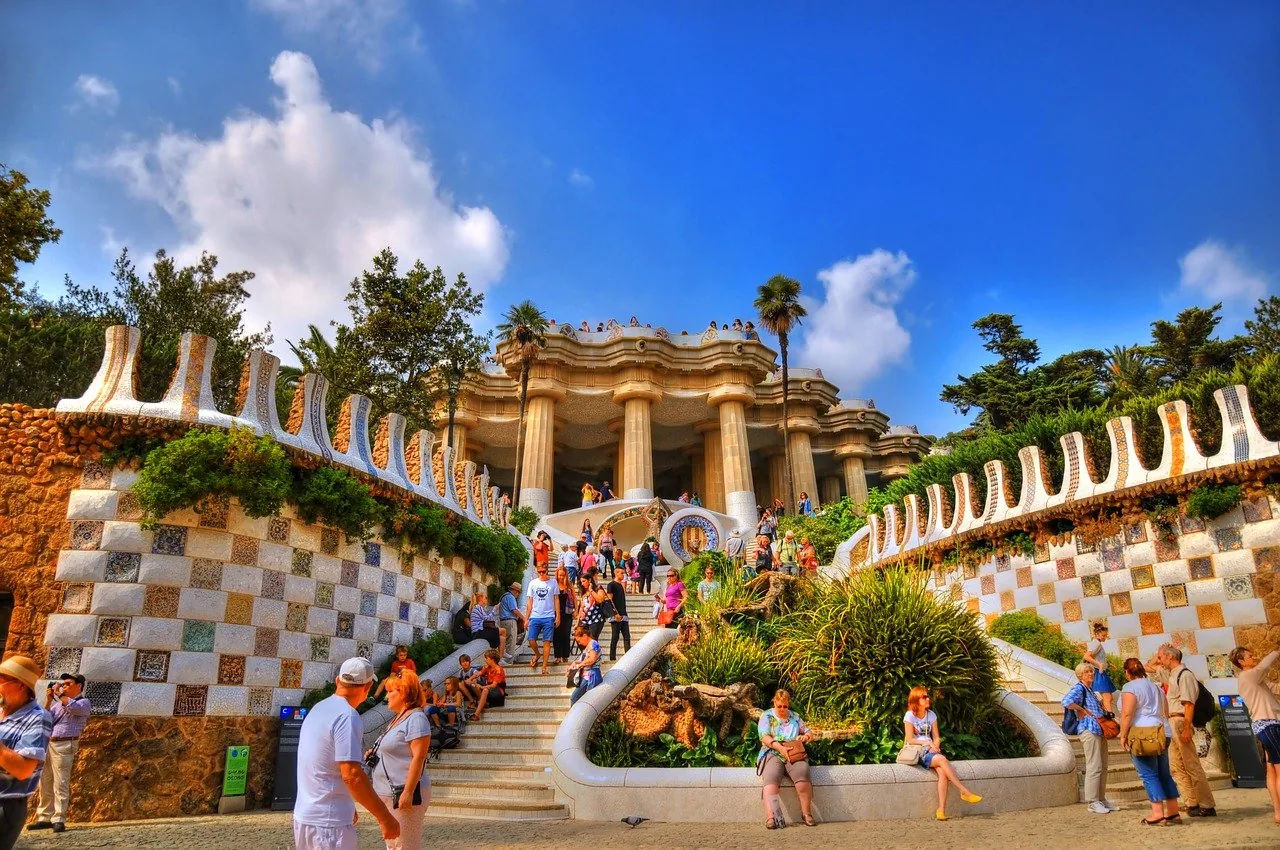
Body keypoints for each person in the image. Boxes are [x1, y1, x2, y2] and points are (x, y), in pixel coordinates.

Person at [294, 658, 399, 849]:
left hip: (306, 815)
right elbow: (352, 774)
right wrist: (385, 818)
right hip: (329, 824)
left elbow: (319, 762)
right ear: (367, 687)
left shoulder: (320, 708)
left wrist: (347, 805)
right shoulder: (347, 716)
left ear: (337, 681)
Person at [367, 670, 431, 850]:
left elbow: (419, 757)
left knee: (404, 845)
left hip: (403, 792)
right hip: (389, 792)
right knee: (394, 844)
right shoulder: (397, 719)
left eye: (390, 691)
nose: (387, 696)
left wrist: (408, 792)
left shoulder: (416, 718)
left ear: (403, 693)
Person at [903, 686, 983, 821]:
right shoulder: (910, 715)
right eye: (924, 697)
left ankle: (941, 810)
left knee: (942, 773)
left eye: (927, 696)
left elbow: (936, 736)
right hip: (918, 751)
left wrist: (936, 746)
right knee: (942, 760)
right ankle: (963, 791)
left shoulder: (931, 715)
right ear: (916, 699)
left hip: (931, 750)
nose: (928, 699)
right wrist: (929, 744)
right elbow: (910, 739)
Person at [1119, 657, 1181, 825]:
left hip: (1143, 733)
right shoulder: (1156, 687)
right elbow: (1165, 710)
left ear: (1127, 673)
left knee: (1148, 774)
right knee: (1163, 773)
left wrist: (1123, 735)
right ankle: (1173, 811)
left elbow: (1127, 713)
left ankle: (1157, 813)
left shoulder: (1130, 687)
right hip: (1163, 731)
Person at [1156, 644, 1216, 816]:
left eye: (1161, 657)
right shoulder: (1172, 674)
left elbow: (1189, 703)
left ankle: (1206, 803)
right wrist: (1160, 651)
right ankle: (1191, 802)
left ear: (1170, 657)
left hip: (1182, 720)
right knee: (1176, 766)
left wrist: (1187, 727)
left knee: (1191, 764)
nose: (1159, 660)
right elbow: (1152, 665)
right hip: (1172, 721)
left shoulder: (1185, 675)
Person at [0, 656, 52, 849]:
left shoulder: (38, 718)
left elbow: (23, 770)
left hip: (5, 805)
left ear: (20, 685)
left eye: (1, 679)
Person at [29, 672, 90, 834]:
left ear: (79, 686)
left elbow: (73, 708)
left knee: (60, 782)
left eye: (68, 684)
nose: (64, 686)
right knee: (46, 780)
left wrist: (60, 694)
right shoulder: (58, 704)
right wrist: (49, 699)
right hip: (50, 744)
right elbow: (45, 718)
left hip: (65, 744)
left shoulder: (84, 702)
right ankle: (44, 817)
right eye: (63, 684)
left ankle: (59, 819)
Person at [1230, 646, 1280, 823]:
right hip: (1269, 724)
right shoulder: (1247, 675)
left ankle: (1278, 812)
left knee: (1272, 768)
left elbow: (1274, 687)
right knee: (1279, 768)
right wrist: (1276, 651)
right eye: (1250, 656)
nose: (1254, 657)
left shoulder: (1253, 678)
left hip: (1264, 725)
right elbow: (1264, 666)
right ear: (1242, 662)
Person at [1063, 663, 1117, 814]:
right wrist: (1081, 710)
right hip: (1089, 729)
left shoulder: (1091, 690)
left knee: (1103, 766)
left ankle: (1101, 798)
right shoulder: (1079, 688)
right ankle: (1093, 801)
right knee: (1094, 765)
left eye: (1091, 671)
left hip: (1099, 729)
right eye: (1087, 672)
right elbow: (1066, 701)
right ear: (1080, 675)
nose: (1090, 674)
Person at [757, 689, 816, 828]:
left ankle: (806, 813)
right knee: (771, 778)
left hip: (794, 752)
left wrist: (805, 737)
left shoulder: (795, 716)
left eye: (785, 706)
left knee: (802, 774)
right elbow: (764, 736)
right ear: (774, 702)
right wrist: (780, 748)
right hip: (773, 750)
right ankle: (771, 817)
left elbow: (809, 732)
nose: (782, 709)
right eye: (779, 706)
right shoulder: (767, 716)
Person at [525, 561, 561, 675]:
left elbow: (556, 599)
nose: (541, 574)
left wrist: (558, 616)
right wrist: (526, 618)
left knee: (547, 641)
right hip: (535, 615)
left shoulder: (553, 582)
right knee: (531, 639)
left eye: (543, 572)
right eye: (539, 572)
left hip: (549, 615)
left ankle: (544, 666)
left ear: (547, 570)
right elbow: (529, 601)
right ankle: (537, 654)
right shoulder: (533, 583)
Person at [1083, 623, 1116, 714]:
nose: (1105, 637)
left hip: (1100, 671)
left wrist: (1106, 665)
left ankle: (1101, 712)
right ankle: (1109, 717)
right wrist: (1100, 665)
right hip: (1098, 672)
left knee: (1109, 697)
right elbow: (1087, 656)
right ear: (1097, 634)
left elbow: (1095, 657)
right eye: (1103, 635)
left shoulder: (1097, 643)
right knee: (1107, 697)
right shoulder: (1096, 644)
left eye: (1105, 635)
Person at [568, 626, 603, 705]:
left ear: (584, 636)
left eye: (579, 640)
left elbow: (592, 659)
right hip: (586, 675)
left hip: (591, 675)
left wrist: (579, 665)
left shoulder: (593, 644)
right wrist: (574, 664)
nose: (579, 643)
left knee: (574, 698)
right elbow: (584, 659)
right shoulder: (589, 645)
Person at [472, 650, 507, 721]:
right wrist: (470, 680)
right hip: (488, 688)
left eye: (486, 658)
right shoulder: (487, 667)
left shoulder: (498, 669)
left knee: (485, 690)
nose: (485, 660)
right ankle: (483, 702)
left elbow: (494, 685)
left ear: (492, 659)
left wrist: (482, 687)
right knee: (473, 683)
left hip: (498, 690)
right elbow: (478, 674)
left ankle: (476, 714)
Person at [469, 590, 505, 658]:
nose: (486, 599)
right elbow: (487, 619)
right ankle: (502, 654)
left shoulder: (478, 607)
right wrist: (494, 609)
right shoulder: (478, 607)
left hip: (479, 631)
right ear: (481, 599)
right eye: (485, 598)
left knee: (502, 639)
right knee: (503, 631)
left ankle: (501, 655)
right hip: (478, 632)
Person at [606, 566, 631, 661]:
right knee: (615, 637)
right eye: (621, 573)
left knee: (627, 636)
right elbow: (609, 600)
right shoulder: (611, 585)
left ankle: (628, 656)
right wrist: (614, 613)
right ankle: (612, 657)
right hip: (616, 615)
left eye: (623, 573)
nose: (623, 575)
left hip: (623, 614)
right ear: (616, 573)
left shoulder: (621, 585)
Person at [552, 564, 576, 664]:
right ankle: (558, 656)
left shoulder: (569, 586)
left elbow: (575, 598)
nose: (561, 577)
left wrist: (576, 610)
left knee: (566, 634)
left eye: (563, 575)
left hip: (567, 613)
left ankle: (565, 656)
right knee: (556, 634)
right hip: (555, 612)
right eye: (559, 575)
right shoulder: (553, 585)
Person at [499, 582, 526, 665]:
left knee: (506, 641)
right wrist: (523, 618)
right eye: (518, 592)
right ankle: (509, 662)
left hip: (503, 621)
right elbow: (514, 610)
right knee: (511, 642)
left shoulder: (504, 597)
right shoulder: (510, 597)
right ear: (515, 591)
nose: (518, 594)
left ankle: (504, 660)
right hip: (510, 621)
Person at [577, 572, 608, 639]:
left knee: (592, 640)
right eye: (581, 582)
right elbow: (581, 608)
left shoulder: (598, 588)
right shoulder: (583, 592)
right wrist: (577, 623)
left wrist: (591, 590)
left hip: (596, 619)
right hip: (584, 620)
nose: (582, 584)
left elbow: (600, 600)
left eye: (584, 581)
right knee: (582, 640)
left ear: (590, 580)